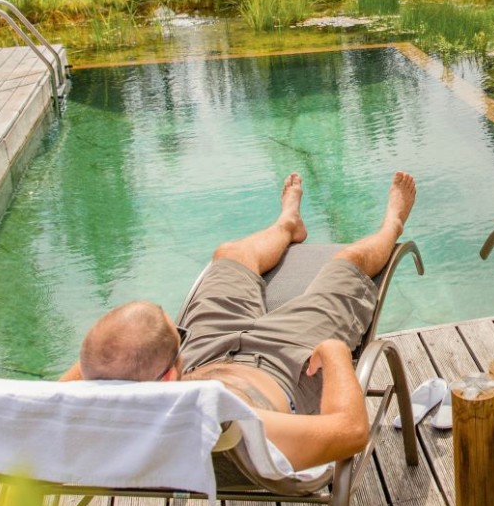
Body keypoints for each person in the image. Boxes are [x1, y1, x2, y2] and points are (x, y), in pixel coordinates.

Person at [61, 171, 417, 470]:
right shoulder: (234, 421)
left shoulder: (66, 409)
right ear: (170, 375)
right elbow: (350, 432)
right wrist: (336, 351)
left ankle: (287, 224)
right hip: (287, 360)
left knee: (230, 254)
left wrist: (110, 376)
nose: (180, 331)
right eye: (176, 337)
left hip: (209, 349)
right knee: (348, 262)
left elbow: (94, 364)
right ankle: (391, 225)